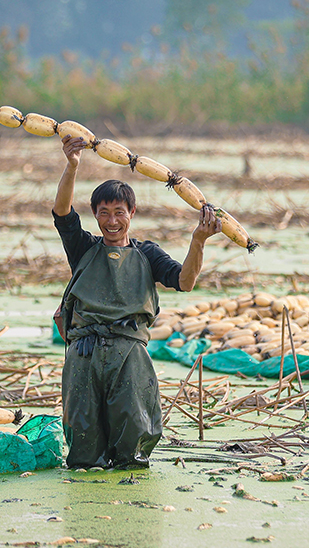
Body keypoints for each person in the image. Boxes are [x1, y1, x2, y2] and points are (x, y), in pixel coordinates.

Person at [53, 135, 222, 469]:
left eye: (119, 213)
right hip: (84, 352)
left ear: (132, 212)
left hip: (130, 353)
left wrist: (198, 240)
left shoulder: (148, 254)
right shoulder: (84, 247)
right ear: (95, 215)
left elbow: (185, 282)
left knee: (133, 437)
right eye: (104, 214)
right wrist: (72, 166)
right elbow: (62, 213)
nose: (112, 222)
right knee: (83, 442)